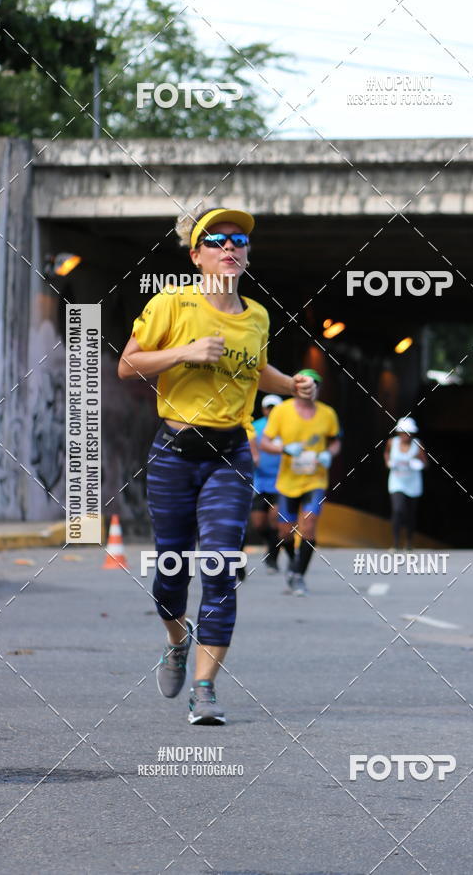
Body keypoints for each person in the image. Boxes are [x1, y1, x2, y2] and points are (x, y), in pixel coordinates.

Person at [117, 206, 315, 726]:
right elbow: (127, 363)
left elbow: (256, 370)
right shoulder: (171, 303)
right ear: (197, 254)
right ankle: (176, 641)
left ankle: (204, 689)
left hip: (230, 454)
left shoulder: (257, 316)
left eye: (239, 241)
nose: (231, 246)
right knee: (171, 568)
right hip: (174, 454)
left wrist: (291, 385)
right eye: (217, 239)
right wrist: (185, 352)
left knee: (222, 565)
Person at [259, 369, 340, 596]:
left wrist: (329, 454)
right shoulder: (281, 412)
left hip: (315, 479)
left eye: (314, 383)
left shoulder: (328, 414)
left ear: (319, 388)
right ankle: (294, 561)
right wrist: (283, 448)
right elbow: (264, 442)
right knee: (284, 531)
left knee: (310, 524)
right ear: (295, 386)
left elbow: (335, 442)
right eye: (304, 383)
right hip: (287, 482)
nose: (308, 387)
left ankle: (298, 575)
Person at [250, 393, 293, 572]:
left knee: (276, 520)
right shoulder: (255, 427)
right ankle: (274, 546)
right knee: (259, 524)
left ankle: (272, 559)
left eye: (275, 408)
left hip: (281, 481)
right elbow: (249, 447)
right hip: (260, 481)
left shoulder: (288, 426)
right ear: (263, 409)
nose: (271, 411)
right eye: (269, 408)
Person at [384, 417, 427, 551]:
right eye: (403, 432)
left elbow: (425, 463)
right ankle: (395, 543)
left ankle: (409, 542)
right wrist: (388, 462)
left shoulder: (418, 444)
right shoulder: (392, 442)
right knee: (398, 509)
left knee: (410, 513)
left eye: (408, 432)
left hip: (413, 482)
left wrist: (417, 464)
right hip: (397, 481)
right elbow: (386, 454)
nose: (405, 435)